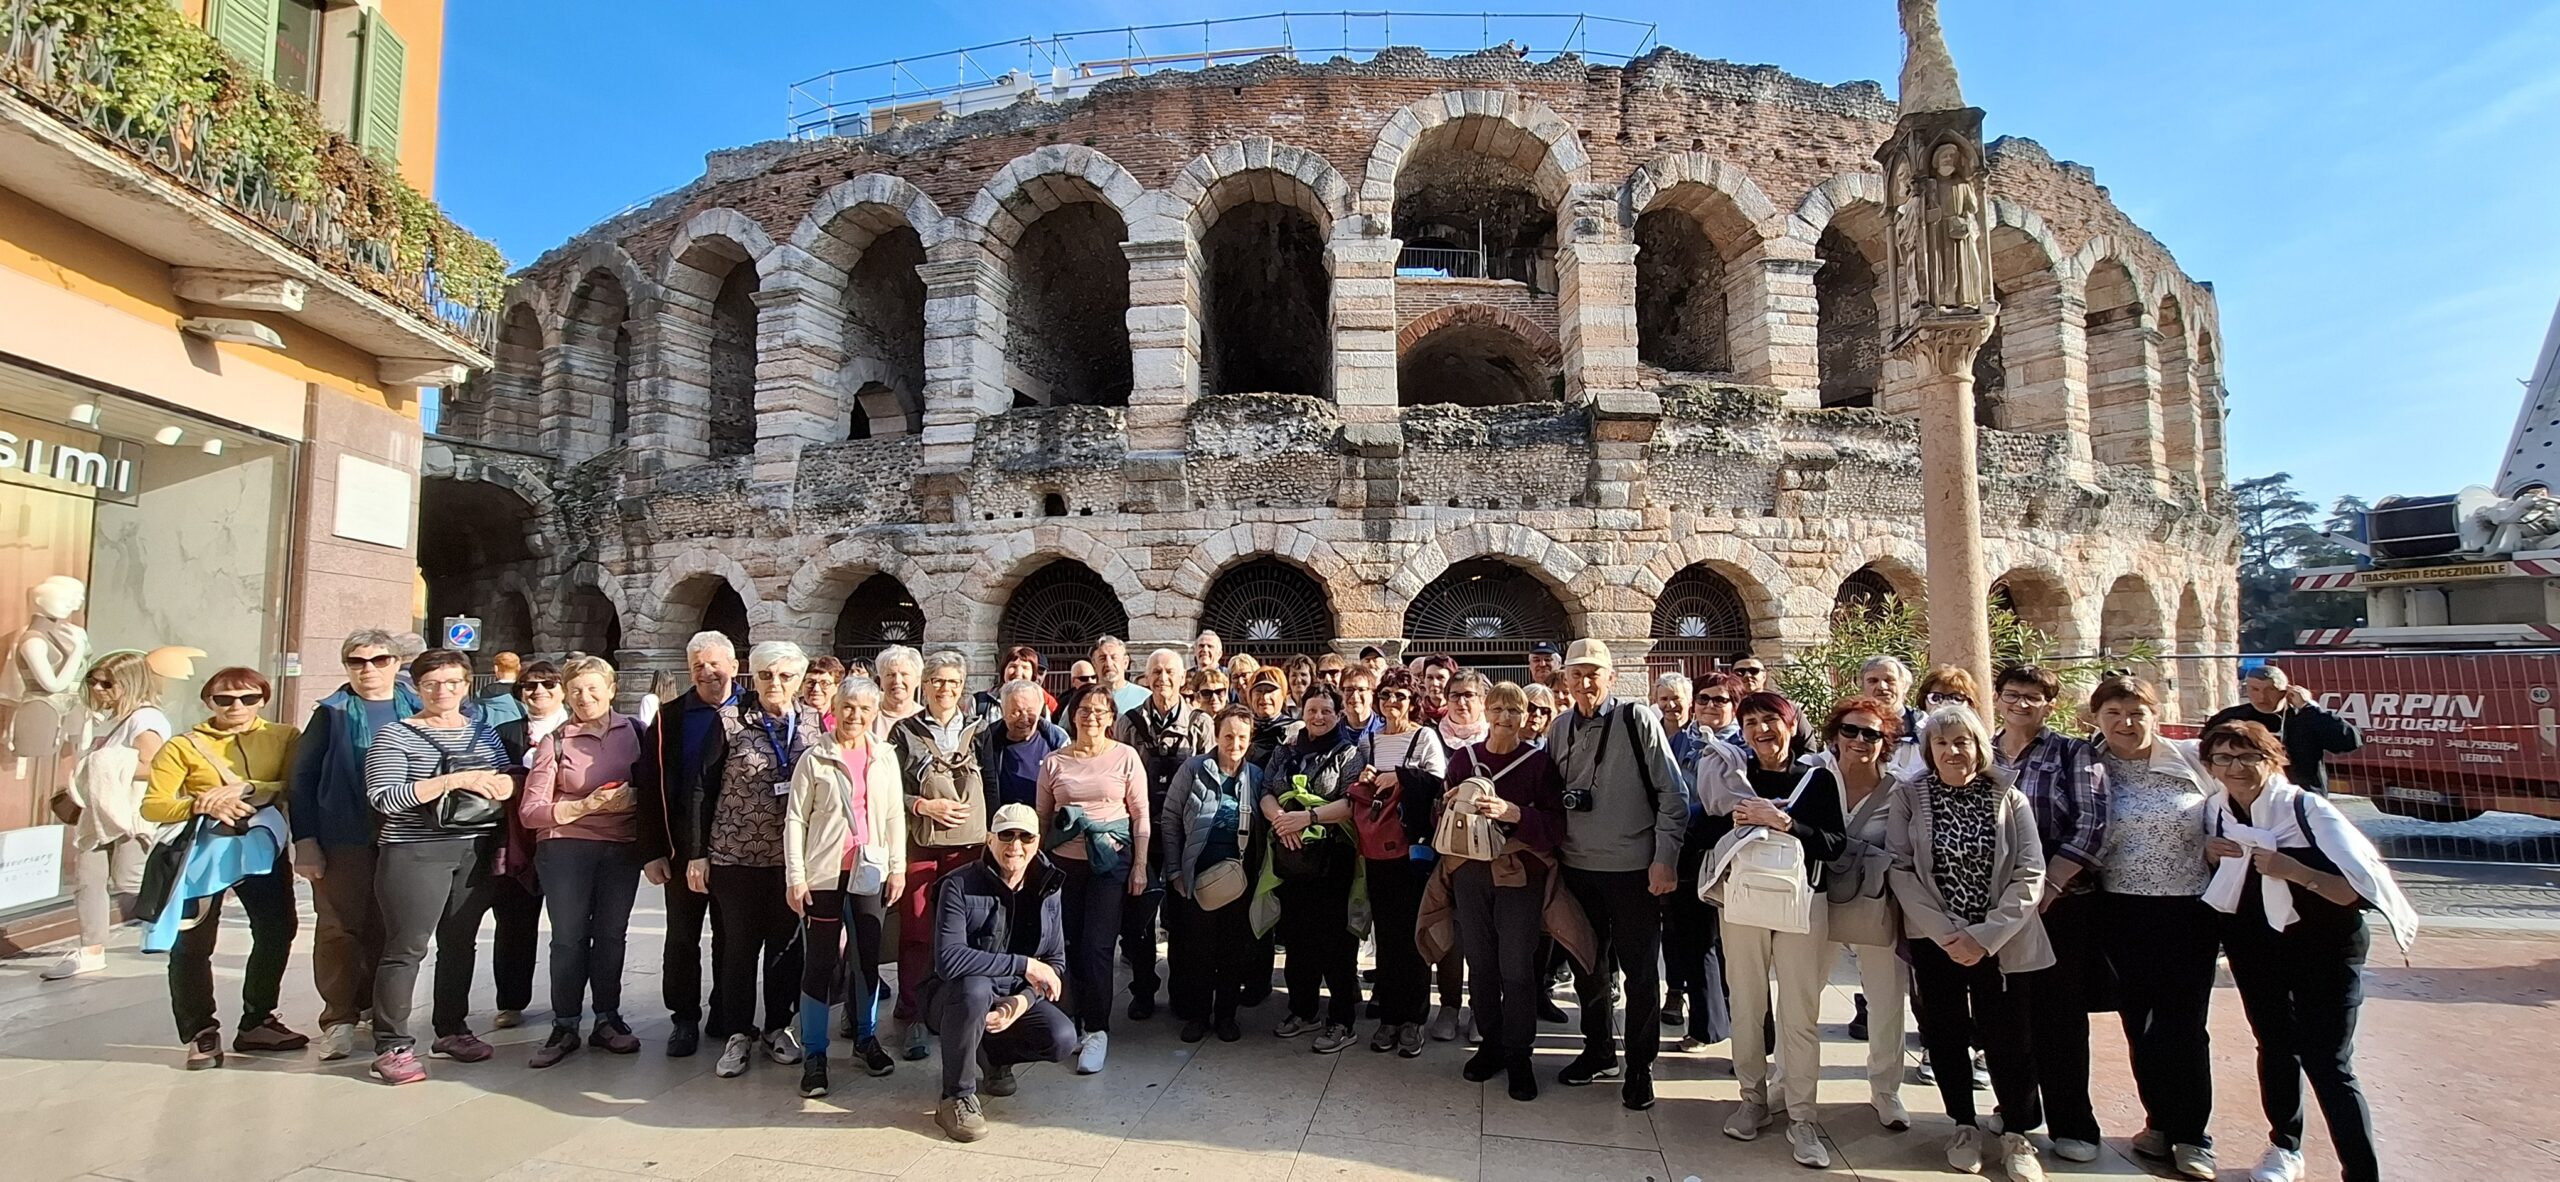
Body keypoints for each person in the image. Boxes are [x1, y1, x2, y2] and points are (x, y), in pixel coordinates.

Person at [2198, 721, 2414, 1182]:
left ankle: (2361, 1171)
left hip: (2326, 947)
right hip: (2255, 945)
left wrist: (2294, 870)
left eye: (2248, 756)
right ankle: (2285, 1147)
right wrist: (2212, 852)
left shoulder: (2307, 809)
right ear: (2210, 765)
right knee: (2275, 1046)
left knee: (2328, 1061)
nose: (2236, 768)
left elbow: (2356, 890)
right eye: (2223, 758)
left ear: (2273, 760)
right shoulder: (2218, 810)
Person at [1888, 704, 2055, 1181]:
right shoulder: (1910, 796)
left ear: (1979, 746)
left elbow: (2030, 872)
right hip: (1936, 939)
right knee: (1944, 1033)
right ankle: (1963, 1125)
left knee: (2010, 1038)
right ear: (1928, 750)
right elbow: (1900, 866)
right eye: (1941, 743)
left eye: (1961, 741)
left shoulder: (2008, 797)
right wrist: (1947, 935)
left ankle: (2016, 1132)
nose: (1952, 751)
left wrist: (1984, 936)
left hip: (2000, 941)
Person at [1544, 639, 1687, 1112]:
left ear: (1611, 677)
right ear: (1565, 680)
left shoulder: (1636, 719)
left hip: (1632, 869)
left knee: (1640, 973)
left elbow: (1673, 793)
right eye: (1576, 674)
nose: (1585, 683)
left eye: (1593, 674)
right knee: (1588, 967)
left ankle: (1641, 1066)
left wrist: (1665, 857)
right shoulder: (1559, 727)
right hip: (1577, 867)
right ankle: (1599, 1051)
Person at [363, 649, 516, 1085]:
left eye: (452, 682)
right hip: (414, 851)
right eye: (431, 684)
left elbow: (507, 775)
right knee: (406, 947)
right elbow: (384, 797)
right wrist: (453, 780)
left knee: (460, 942)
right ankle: (391, 1045)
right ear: (417, 688)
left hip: (474, 848)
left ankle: (451, 1029)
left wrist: (506, 783)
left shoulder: (484, 733)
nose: (442, 691)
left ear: (467, 685)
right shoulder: (395, 736)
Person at [1706, 691, 1846, 1166]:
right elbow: (1704, 830)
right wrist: (1733, 824)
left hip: (1802, 904)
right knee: (1746, 1005)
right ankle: (1752, 1099)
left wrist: (1784, 822)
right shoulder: (1732, 776)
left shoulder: (1816, 777)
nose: (1761, 730)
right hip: (1743, 901)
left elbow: (1834, 844)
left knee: (1799, 1014)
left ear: (1790, 725)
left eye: (1770, 720)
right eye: (1751, 723)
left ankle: (1803, 1117)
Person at [2088, 675, 2219, 1180]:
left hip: (2188, 910)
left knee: (2184, 1023)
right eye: (2113, 713)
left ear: (2155, 713)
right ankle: (2159, 1121)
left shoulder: (2190, 760)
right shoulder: (2090, 766)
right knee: (2138, 1021)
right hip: (2120, 910)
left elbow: (2232, 809)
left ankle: (2193, 1134)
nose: (2126, 723)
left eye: (2136, 713)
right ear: (2096, 719)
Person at [144, 666, 304, 1067]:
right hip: (203, 854)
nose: (237, 706)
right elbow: (154, 805)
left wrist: (250, 789)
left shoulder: (284, 736)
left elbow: (294, 785)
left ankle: (258, 1020)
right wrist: (201, 804)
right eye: (225, 699)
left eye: (249, 698)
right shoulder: (182, 745)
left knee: (277, 930)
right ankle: (200, 1032)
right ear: (208, 702)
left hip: (261, 849)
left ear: (263, 700)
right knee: (192, 944)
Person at [1427, 680, 1571, 1102]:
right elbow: (1441, 818)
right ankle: (1490, 1044)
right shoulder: (1464, 759)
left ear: (1526, 717)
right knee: (1481, 965)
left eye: (1514, 710)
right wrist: (1449, 804)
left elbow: (1555, 827)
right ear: (1486, 712)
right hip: (1470, 874)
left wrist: (1513, 813)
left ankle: (1519, 1054)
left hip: (1519, 877)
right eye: (1498, 709)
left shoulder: (1538, 764)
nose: (1506, 718)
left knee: (1517, 968)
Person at [687, 641, 821, 1079]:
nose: (774, 683)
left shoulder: (814, 723)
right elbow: (702, 788)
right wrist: (698, 854)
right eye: (766, 675)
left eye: (785, 676)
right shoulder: (730, 720)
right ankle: (737, 1032)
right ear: (753, 678)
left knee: (785, 949)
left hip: (790, 861)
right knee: (739, 949)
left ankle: (777, 1026)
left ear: (799, 680)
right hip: (736, 857)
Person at [1991, 663, 2107, 1162]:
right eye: (2013, 694)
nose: (2021, 704)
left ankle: (2073, 1122)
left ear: (2049, 704)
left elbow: (2091, 823)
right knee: (2006, 1014)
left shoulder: (2072, 753)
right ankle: (2016, 1111)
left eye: (2033, 697)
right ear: (1998, 698)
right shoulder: (1984, 751)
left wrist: (2049, 884)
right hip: (1998, 904)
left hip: (2060, 902)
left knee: (2060, 1015)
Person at [288, 628, 419, 1062]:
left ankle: (378, 1012)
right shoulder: (332, 713)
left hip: (404, 835)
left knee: (392, 926)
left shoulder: (418, 706)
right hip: (343, 835)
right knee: (339, 927)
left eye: (379, 660)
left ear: (396, 664)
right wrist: (305, 840)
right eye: (357, 662)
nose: (369, 670)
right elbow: (302, 778)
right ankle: (339, 1018)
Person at [518, 655, 647, 1066]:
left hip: (621, 846)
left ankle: (608, 1018)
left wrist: (633, 799)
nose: (585, 697)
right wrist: (586, 805)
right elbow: (531, 811)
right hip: (566, 846)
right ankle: (565, 1024)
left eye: (593, 688)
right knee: (569, 937)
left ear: (612, 690)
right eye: (576, 691)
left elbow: (657, 787)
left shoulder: (637, 732)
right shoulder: (555, 741)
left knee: (611, 935)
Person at [785, 677, 908, 1096]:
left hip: (869, 871)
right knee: (820, 962)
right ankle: (814, 1053)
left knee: (867, 958)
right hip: (824, 874)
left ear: (875, 713)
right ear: (835, 708)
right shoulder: (815, 757)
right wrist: (796, 877)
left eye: (864, 709)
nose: (855, 716)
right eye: (848, 707)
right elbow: (796, 819)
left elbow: (893, 816)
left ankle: (865, 1038)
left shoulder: (884, 756)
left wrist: (897, 868)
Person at [923, 803, 1075, 1144]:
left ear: (1037, 842)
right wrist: (1024, 965)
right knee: (975, 990)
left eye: (1025, 837)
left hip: (1011, 995)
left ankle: (994, 1058)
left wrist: (1022, 1002)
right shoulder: (958, 884)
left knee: (1062, 1038)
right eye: (1007, 835)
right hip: (953, 997)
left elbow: (1055, 962)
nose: (1015, 846)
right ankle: (956, 1096)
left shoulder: (1049, 886)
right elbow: (949, 959)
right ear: (990, 839)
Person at [632, 630, 738, 1059]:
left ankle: (726, 1010)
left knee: (731, 938)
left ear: (734, 666)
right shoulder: (669, 718)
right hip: (681, 848)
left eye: (714, 664)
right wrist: (651, 850)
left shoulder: (753, 711)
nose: (707, 672)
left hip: (738, 849)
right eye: (698, 666)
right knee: (682, 937)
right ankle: (684, 1017)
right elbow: (648, 786)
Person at [1036, 682, 1150, 1073]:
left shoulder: (1125, 757)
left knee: (1098, 946)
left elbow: (1140, 815)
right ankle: (1070, 1019)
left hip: (1111, 863)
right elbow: (1042, 818)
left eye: (1101, 711)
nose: (1091, 717)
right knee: (1064, 944)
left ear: (1111, 718)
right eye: (1085, 709)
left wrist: (1139, 865)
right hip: (1064, 865)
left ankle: (1098, 1029)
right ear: (1073, 715)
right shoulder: (1054, 762)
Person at [44, 650, 170, 981]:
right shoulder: (116, 719)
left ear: (131, 683)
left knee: (130, 881)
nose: (98, 688)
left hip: (128, 815)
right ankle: (91, 950)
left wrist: (101, 765)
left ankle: (182, 920)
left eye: (108, 683)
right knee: (88, 879)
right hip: (101, 813)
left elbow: (154, 766)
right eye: (93, 681)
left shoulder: (146, 719)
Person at [890, 649, 992, 1060]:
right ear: (924, 685)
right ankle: (913, 1013)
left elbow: (993, 784)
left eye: (953, 682)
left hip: (970, 847)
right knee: (916, 929)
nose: (945, 689)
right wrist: (922, 805)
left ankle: (959, 1008)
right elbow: (887, 789)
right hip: (921, 845)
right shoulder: (903, 732)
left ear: (962, 686)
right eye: (937, 681)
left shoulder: (980, 730)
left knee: (966, 931)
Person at [1819, 696, 1912, 1131]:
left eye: (1872, 733)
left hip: (1876, 904)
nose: (1859, 740)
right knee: (1802, 997)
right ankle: (1789, 1081)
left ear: (1886, 741)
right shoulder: (1815, 778)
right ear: (1835, 735)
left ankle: (1886, 1090)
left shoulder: (1901, 791)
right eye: (1850, 730)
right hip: (1819, 902)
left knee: (1886, 999)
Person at [1257, 684, 1366, 1053]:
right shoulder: (1286, 750)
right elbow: (1267, 791)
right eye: (1312, 710)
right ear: (1301, 712)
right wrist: (1281, 821)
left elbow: (1351, 802)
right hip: (1290, 854)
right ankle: (1303, 1010)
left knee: (1335, 940)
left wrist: (1308, 817)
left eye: (1326, 711)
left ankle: (1342, 1020)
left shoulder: (1349, 753)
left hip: (1332, 857)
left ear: (1339, 714)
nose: (1318, 717)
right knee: (1297, 936)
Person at [1349, 668, 1450, 1055]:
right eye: (1386, 695)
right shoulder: (1369, 740)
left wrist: (1402, 777)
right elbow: (1357, 786)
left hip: (1413, 849)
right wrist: (1368, 776)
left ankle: (1413, 1020)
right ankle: (1389, 1017)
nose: (1392, 702)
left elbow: (1439, 782)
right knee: (1386, 936)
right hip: (1378, 848)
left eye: (1401, 696)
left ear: (1413, 702)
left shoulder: (1425, 737)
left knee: (1413, 935)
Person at [1109, 649, 1206, 1020]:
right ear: (1145, 677)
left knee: (1184, 916)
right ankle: (1143, 990)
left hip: (1185, 832)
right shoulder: (1128, 723)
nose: (1163, 678)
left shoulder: (1199, 722)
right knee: (1140, 917)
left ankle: (1182, 990)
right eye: (1156, 672)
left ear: (1182, 678)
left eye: (1169, 672)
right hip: (1141, 832)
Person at [1159, 706, 1261, 1043]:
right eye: (1228, 736)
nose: (1235, 743)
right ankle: (1198, 1015)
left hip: (1239, 880)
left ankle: (1227, 1015)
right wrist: (1175, 870)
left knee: (1233, 950)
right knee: (1197, 951)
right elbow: (1170, 818)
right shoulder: (1193, 769)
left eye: (1242, 737)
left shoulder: (1256, 776)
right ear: (1216, 736)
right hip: (1197, 876)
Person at [1664, 670, 1746, 1049]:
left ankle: (1746, 1029)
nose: (1711, 706)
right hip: (1687, 852)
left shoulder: (1743, 745)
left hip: (1730, 851)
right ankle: (1705, 1026)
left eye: (1720, 699)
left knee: (1735, 948)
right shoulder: (1681, 741)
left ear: (1735, 706)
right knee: (1695, 942)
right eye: (1704, 699)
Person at [486, 660, 564, 1032]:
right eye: (530, 686)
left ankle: (568, 1003)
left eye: (548, 684)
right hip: (516, 840)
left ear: (562, 689)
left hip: (564, 838)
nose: (539, 692)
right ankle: (511, 1001)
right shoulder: (504, 733)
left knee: (570, 928)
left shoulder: (576, 728)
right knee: (514, 923)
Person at [2205, 665, 2362, 795]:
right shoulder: (2231, 718)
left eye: (2270, 690)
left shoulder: (2306, 716)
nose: (2262, 697)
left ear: (2286, 691)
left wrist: (2309, 707)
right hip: (2246, 795)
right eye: (2254, 689)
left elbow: (2350, 741)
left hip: (2301, 795)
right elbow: (2204, 751)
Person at [981, 678, 1065, 811]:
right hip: (1000, 819)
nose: (1024, 718)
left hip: (1043, 818)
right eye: (1016, 712)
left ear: (1040, 710)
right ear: (1003, 711)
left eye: (1030, 711)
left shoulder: (1056, 741)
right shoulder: (987, 741)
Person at [975, 645, 1055, 721]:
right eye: (1013, 666)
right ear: (1004, 670)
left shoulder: (1040, 706)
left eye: (1025, 667)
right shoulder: (979, 701)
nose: (1018, 673)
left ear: (1033, 674)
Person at [873, 645, 925, 737]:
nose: (897, 680)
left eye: (904, 674)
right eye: (890, 675)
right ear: (881, 680)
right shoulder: (869, 716)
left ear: (918, 680)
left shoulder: (925, 720)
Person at [472, 651, 527, 731]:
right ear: (519, 667)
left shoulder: (482, 694)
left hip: (491, 735)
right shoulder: (527, 692)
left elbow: (478, 719)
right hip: (519, 735)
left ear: (496, 668)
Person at [1093, 636, 1149, 714]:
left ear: (1125, 662)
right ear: (1094, 665)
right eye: (1102, 658)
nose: (1109, 664)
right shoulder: (1085, 699)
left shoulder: (1146, 698)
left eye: (1114, 658)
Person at [1438, 670, 1492, 751]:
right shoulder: (1434, 737)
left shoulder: (1495, 737)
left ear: (1483, 701)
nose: (1461, 702)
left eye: (1469, 695)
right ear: (1447, 702)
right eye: (1455, 696)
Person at [1339, 664, 1381, 741]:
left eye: (1361, 690)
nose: (1355, 696)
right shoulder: (1333, 731)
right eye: (1349, 690)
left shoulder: (1383, 729)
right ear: (1342, 693)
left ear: (1372, 692)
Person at [802, 656, 845, 729]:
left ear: (837, 687)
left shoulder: (843, 719)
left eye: (824, 683)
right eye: (810, 682)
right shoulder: (791, 716)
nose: (816, 689)